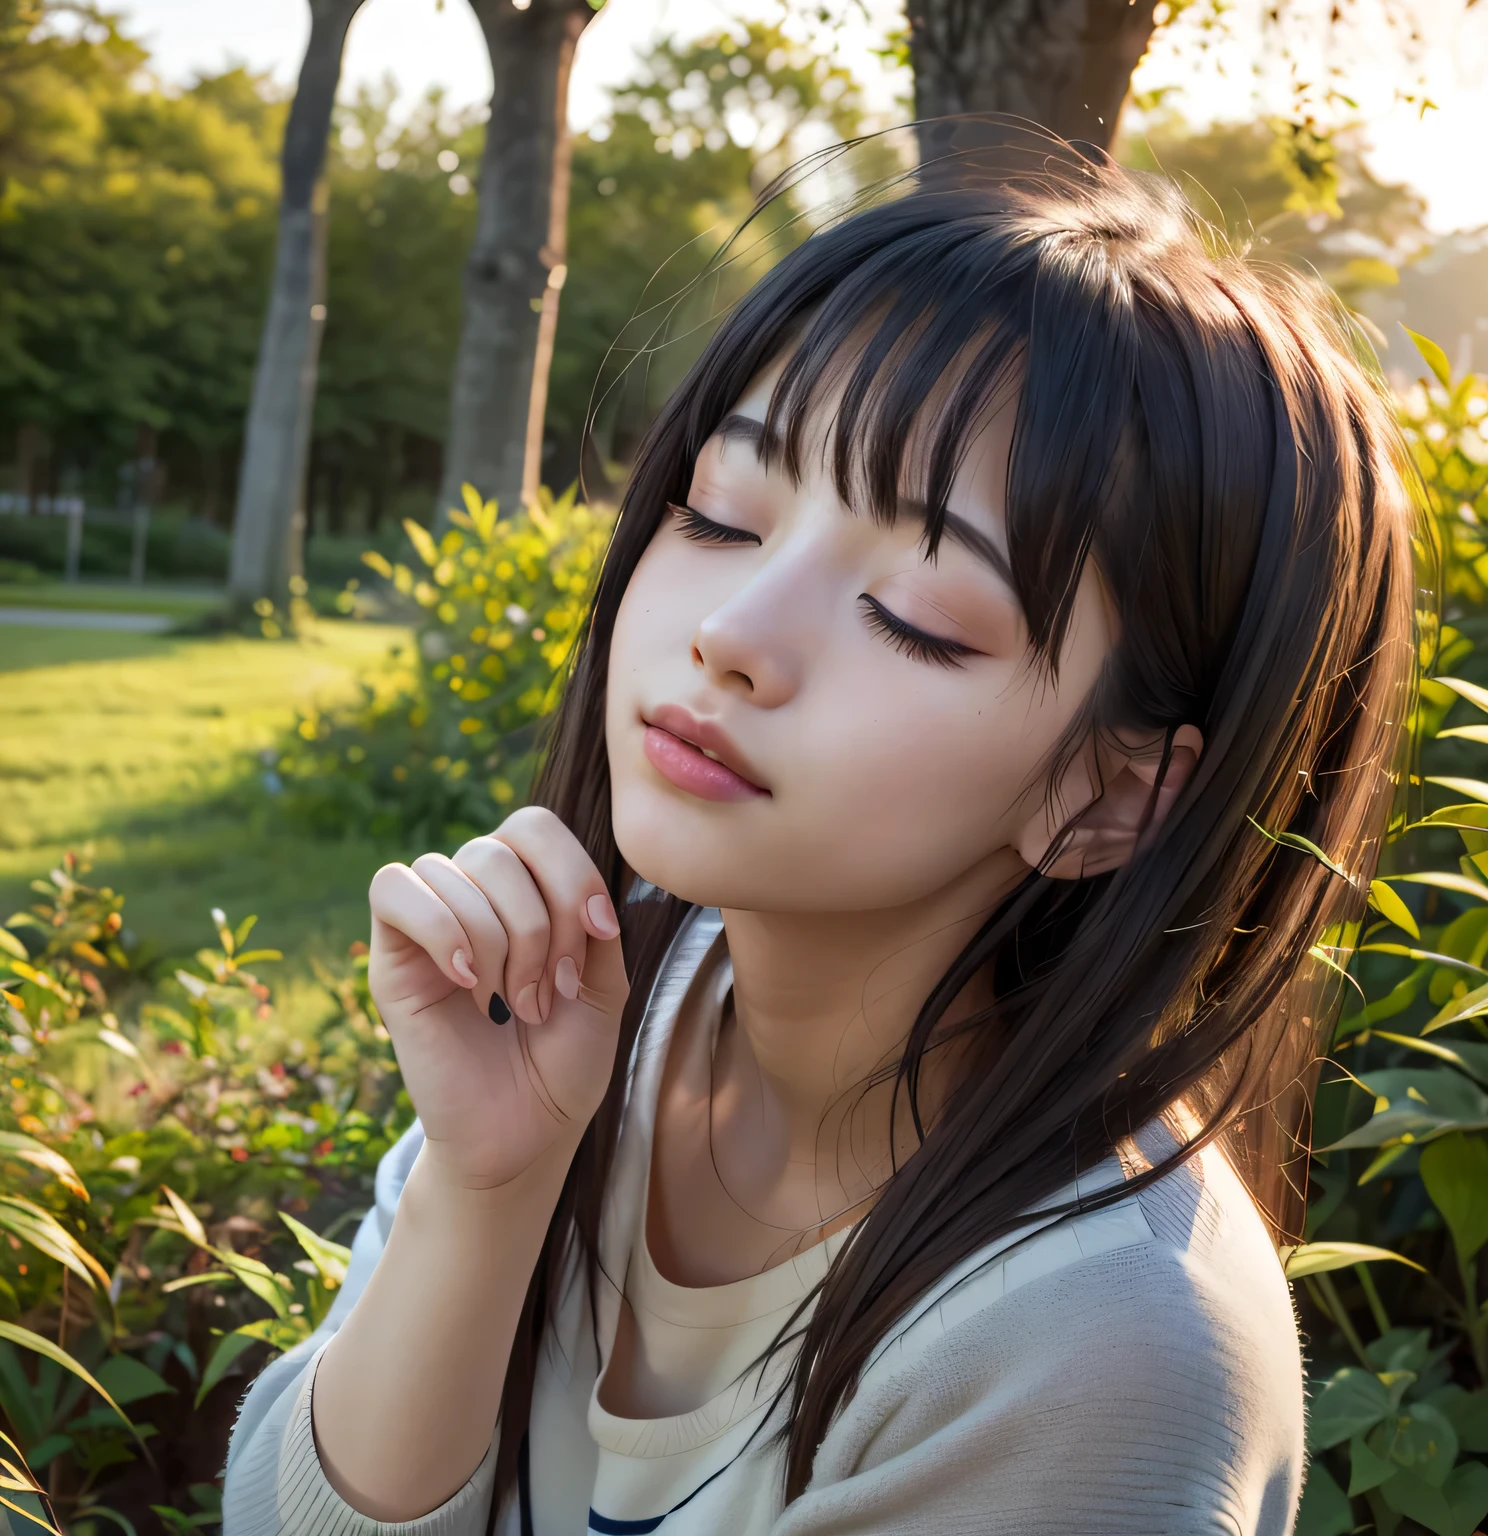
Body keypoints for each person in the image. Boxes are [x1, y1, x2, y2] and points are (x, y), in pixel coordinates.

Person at [221, 131, 1419, 1536]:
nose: (730, 637)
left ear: (1110, 792)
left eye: (916, 611)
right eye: (724, 514)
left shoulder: (1101, 1343)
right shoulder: (588, 1017)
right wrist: (488, 1186)